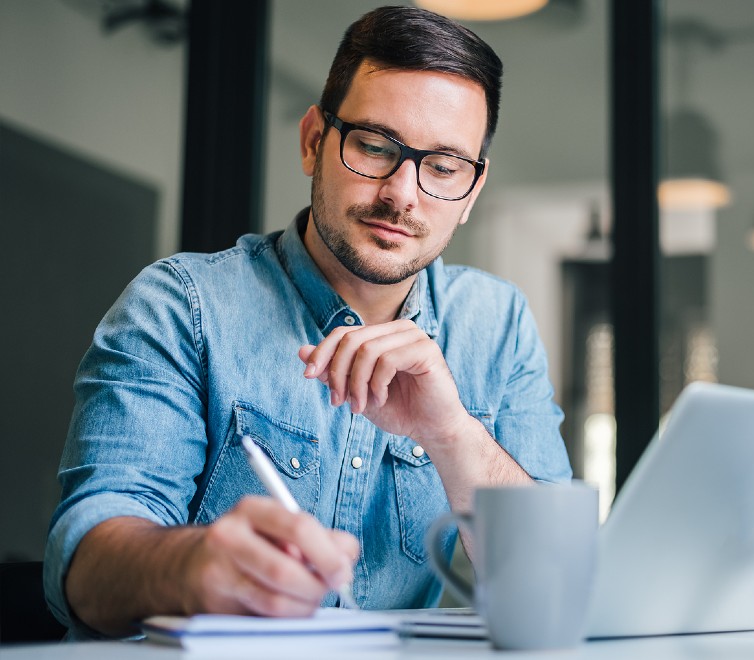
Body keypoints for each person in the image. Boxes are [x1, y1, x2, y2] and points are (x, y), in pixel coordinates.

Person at [44, 5, 571, 639]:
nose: (404, 194)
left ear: (470, 194)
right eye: (375, 147)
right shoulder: (179, 304)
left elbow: (559, 585)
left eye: (442, 168)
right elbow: (84, 563)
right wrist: (189, 567)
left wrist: (453, 433)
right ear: (313, 142)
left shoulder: (497, 322)